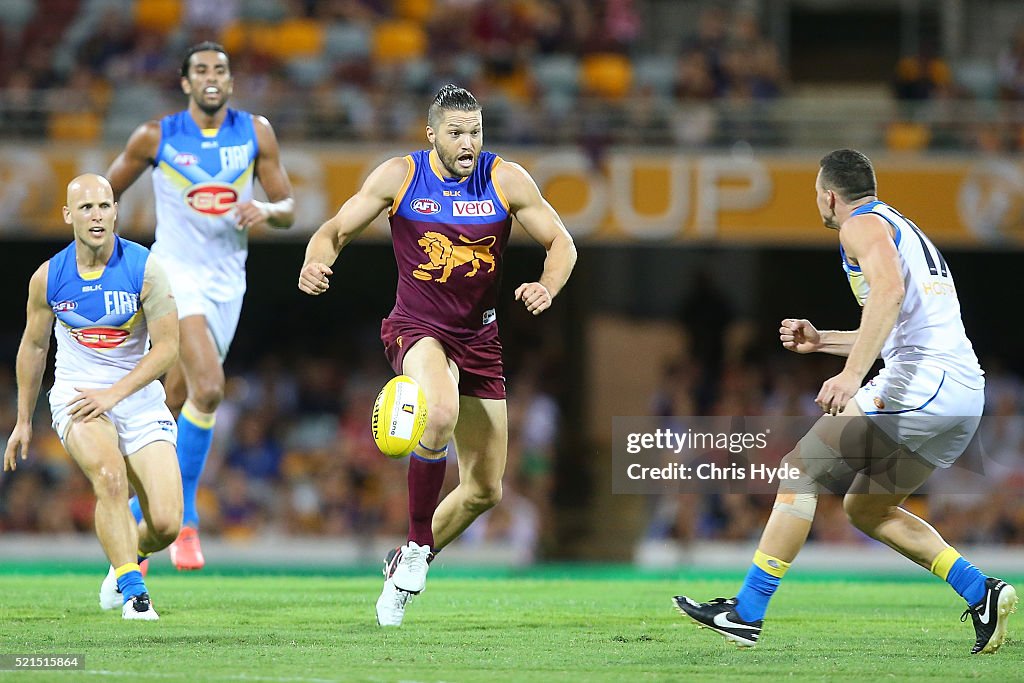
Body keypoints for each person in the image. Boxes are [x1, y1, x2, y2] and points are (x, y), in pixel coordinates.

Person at [673, 149, 1017, 654]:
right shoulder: (897, 225)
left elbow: (889, 292)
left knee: (799, 470)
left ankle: (746, 612)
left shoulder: (857, 225)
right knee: (867, 508)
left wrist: (852, 375)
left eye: (817, 193)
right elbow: (898, 319)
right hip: (959, 392)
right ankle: (980, 591)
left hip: (923, 380)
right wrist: (823, 340)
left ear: (829, 195)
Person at [298, 84, 577, 627]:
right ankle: (418, 545)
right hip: (416, 327)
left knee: (485, 490)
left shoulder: (506, 179)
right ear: (433, 135)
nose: (468, 141)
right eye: (456, 132)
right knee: (440, 412)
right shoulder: (399, 176)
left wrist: (547, 285)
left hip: (480, 339)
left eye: (475, 131)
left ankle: (408, 557)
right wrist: (315, 261)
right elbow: (335, 230)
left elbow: (562, 243)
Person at [105, 41, 295, 570]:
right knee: (210, 387)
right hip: (173, 276)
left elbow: (288, 208)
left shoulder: (255, 133)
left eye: (221, 69)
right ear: (186, 83)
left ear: (230, 82)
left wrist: (266, 210)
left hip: (227, 284)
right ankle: (184, 521)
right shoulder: (155, 136)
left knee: (176, 402)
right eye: (201, 70)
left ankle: (141, 522)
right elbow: (105, 190)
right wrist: (108, 255)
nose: (212, 77)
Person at [3, 174, 182, 620]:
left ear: (116, 211)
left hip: (136, 397)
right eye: (85, 208)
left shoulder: (146, 269)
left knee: (165, 524)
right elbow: (35, 346)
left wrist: (116, 393)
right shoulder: (48, 277)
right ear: (68, 215)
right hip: (78, 397)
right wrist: (23, 420)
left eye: (104, 205)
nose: (96, 215)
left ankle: (125, 556)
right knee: (109, 476)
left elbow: (168, 348)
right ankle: (134, 591)